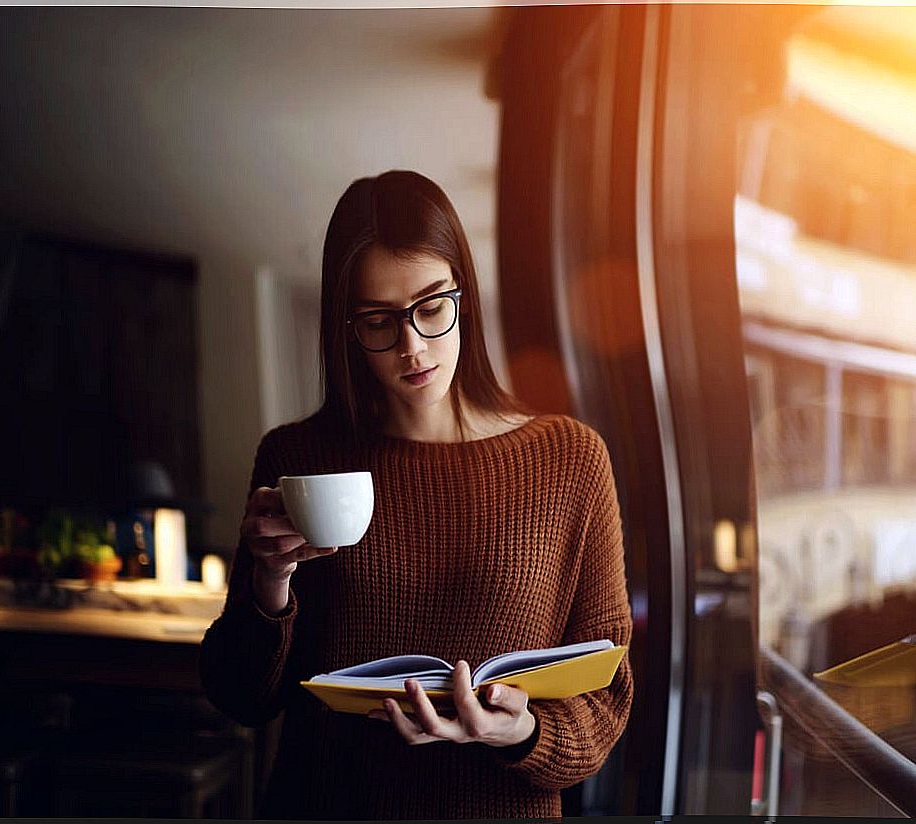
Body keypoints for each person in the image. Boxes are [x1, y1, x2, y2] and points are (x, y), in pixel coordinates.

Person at [199, 170, 634, 820]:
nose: (412, 346)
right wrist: (270, 583)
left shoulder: (570, 459)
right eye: (378, 320)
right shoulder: (298, 460)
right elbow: (241, 698)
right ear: (346, 328)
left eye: (432, 307)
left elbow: (607, 700)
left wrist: (516, 731)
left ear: (467, 295)